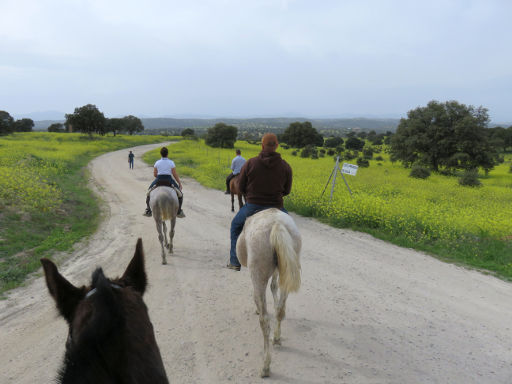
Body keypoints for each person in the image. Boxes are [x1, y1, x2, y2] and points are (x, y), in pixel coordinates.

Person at [227, 133, 292, 271]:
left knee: (235, 226)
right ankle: (291, 263)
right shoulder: (286, 166)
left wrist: (250, 195)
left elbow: (240, 187)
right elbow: (287, 191)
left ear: (262, 145)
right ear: (277, 146)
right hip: (277, 207)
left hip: (253, 206)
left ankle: (234, 261)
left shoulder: (250, 163)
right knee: (291, 229)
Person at [143, 147, 185, 218]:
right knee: (180, 194)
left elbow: (155, 174)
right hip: (169, 179)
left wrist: (159, 176)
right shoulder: (171, 162)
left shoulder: (157, 162)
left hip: (159, 179)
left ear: (161, 154)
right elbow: (174, 174)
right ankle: (179, 211)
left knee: (148, 193)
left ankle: (148, 210)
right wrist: (179, 183)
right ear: (167, 154)